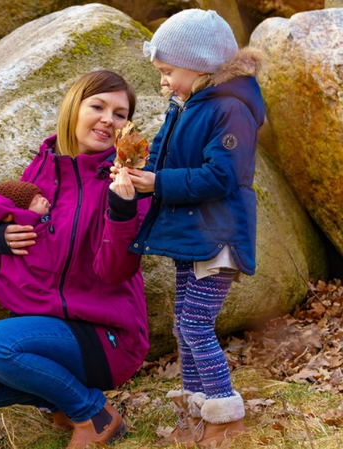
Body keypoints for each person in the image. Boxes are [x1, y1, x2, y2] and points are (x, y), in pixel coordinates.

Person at [0, 70, 151, 449]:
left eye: (120, 114)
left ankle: (94, 414)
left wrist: (123, 209)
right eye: (98, 106)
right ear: (73, 109)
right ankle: (64, 402)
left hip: (107, 335)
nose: (108, 119)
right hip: (44, 326)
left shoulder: (126, 181)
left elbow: (116, 270)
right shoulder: (40, 169)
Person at [113, 9, 266, 448]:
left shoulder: (231, 109)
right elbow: (160, 160)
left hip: (218, 236)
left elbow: (221, 177)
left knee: (197, 322)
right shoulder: (183, 106)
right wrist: (134, 173)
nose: (163, 81)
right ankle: (198, 406)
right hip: (191, 236)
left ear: (200, 64)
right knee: (184, 324)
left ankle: (225, 416)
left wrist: (158, 182)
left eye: (168, 72)